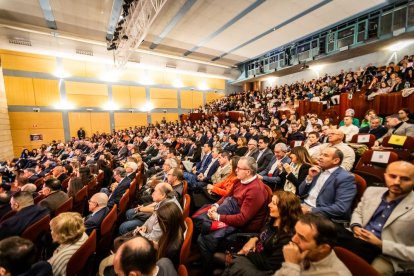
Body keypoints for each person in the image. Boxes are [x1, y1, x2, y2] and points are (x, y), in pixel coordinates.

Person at [197, 156, 268, 275]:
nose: (236, 170)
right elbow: (227, 196)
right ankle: (205, 260)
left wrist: (218, 217)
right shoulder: (239, 180)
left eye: (239, 168)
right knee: (201, 226)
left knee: (204, 239)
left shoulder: (256, 190)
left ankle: (207, 271)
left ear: (248, 172)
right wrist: (215, 206)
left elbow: (242, 219)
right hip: (231, 215)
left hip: (242, 227)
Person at [340, 161, 414, 275]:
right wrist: (356, 226)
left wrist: (381, 244)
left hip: (389, 255)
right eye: (392, 176)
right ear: (385, 175)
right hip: (358, 238)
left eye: (405, 179)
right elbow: (358, 212)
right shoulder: (372, 191)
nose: (397, 182)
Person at [224, 191, 303, 275]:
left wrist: (247, 253)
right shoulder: (273, 220)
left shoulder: (287, 238)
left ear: (284, 209)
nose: (269, 205)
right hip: (253, 258)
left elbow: (269, 265)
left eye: (273, 203)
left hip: (261, 269)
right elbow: (262, 234)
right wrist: (254, 239)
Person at [274, 213, 351, 276]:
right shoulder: (304, 253)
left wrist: (291, 265)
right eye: (295, 233)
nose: (293, 239)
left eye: (302, 238)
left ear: (323, 248)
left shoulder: (337, 274)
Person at [299, 147, 357, 221]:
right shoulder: (317, 171)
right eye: (320, 154)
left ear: (336, 161)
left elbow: (340, 208)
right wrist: (309, 177)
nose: (319, 157)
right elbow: (301, 192)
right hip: (303, 205)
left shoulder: (346, 178)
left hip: (319, 215)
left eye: (325, 155)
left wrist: (310, 210)